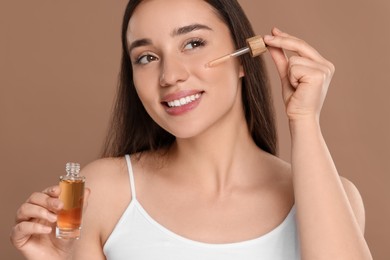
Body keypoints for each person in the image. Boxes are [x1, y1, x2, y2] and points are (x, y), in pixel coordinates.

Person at [10, 0, 373, 259]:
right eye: (147, 57)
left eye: (193, 43)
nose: (170, 76)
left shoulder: (332, 197)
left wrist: (305, 121)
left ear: (243, 57)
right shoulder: (104, 193)